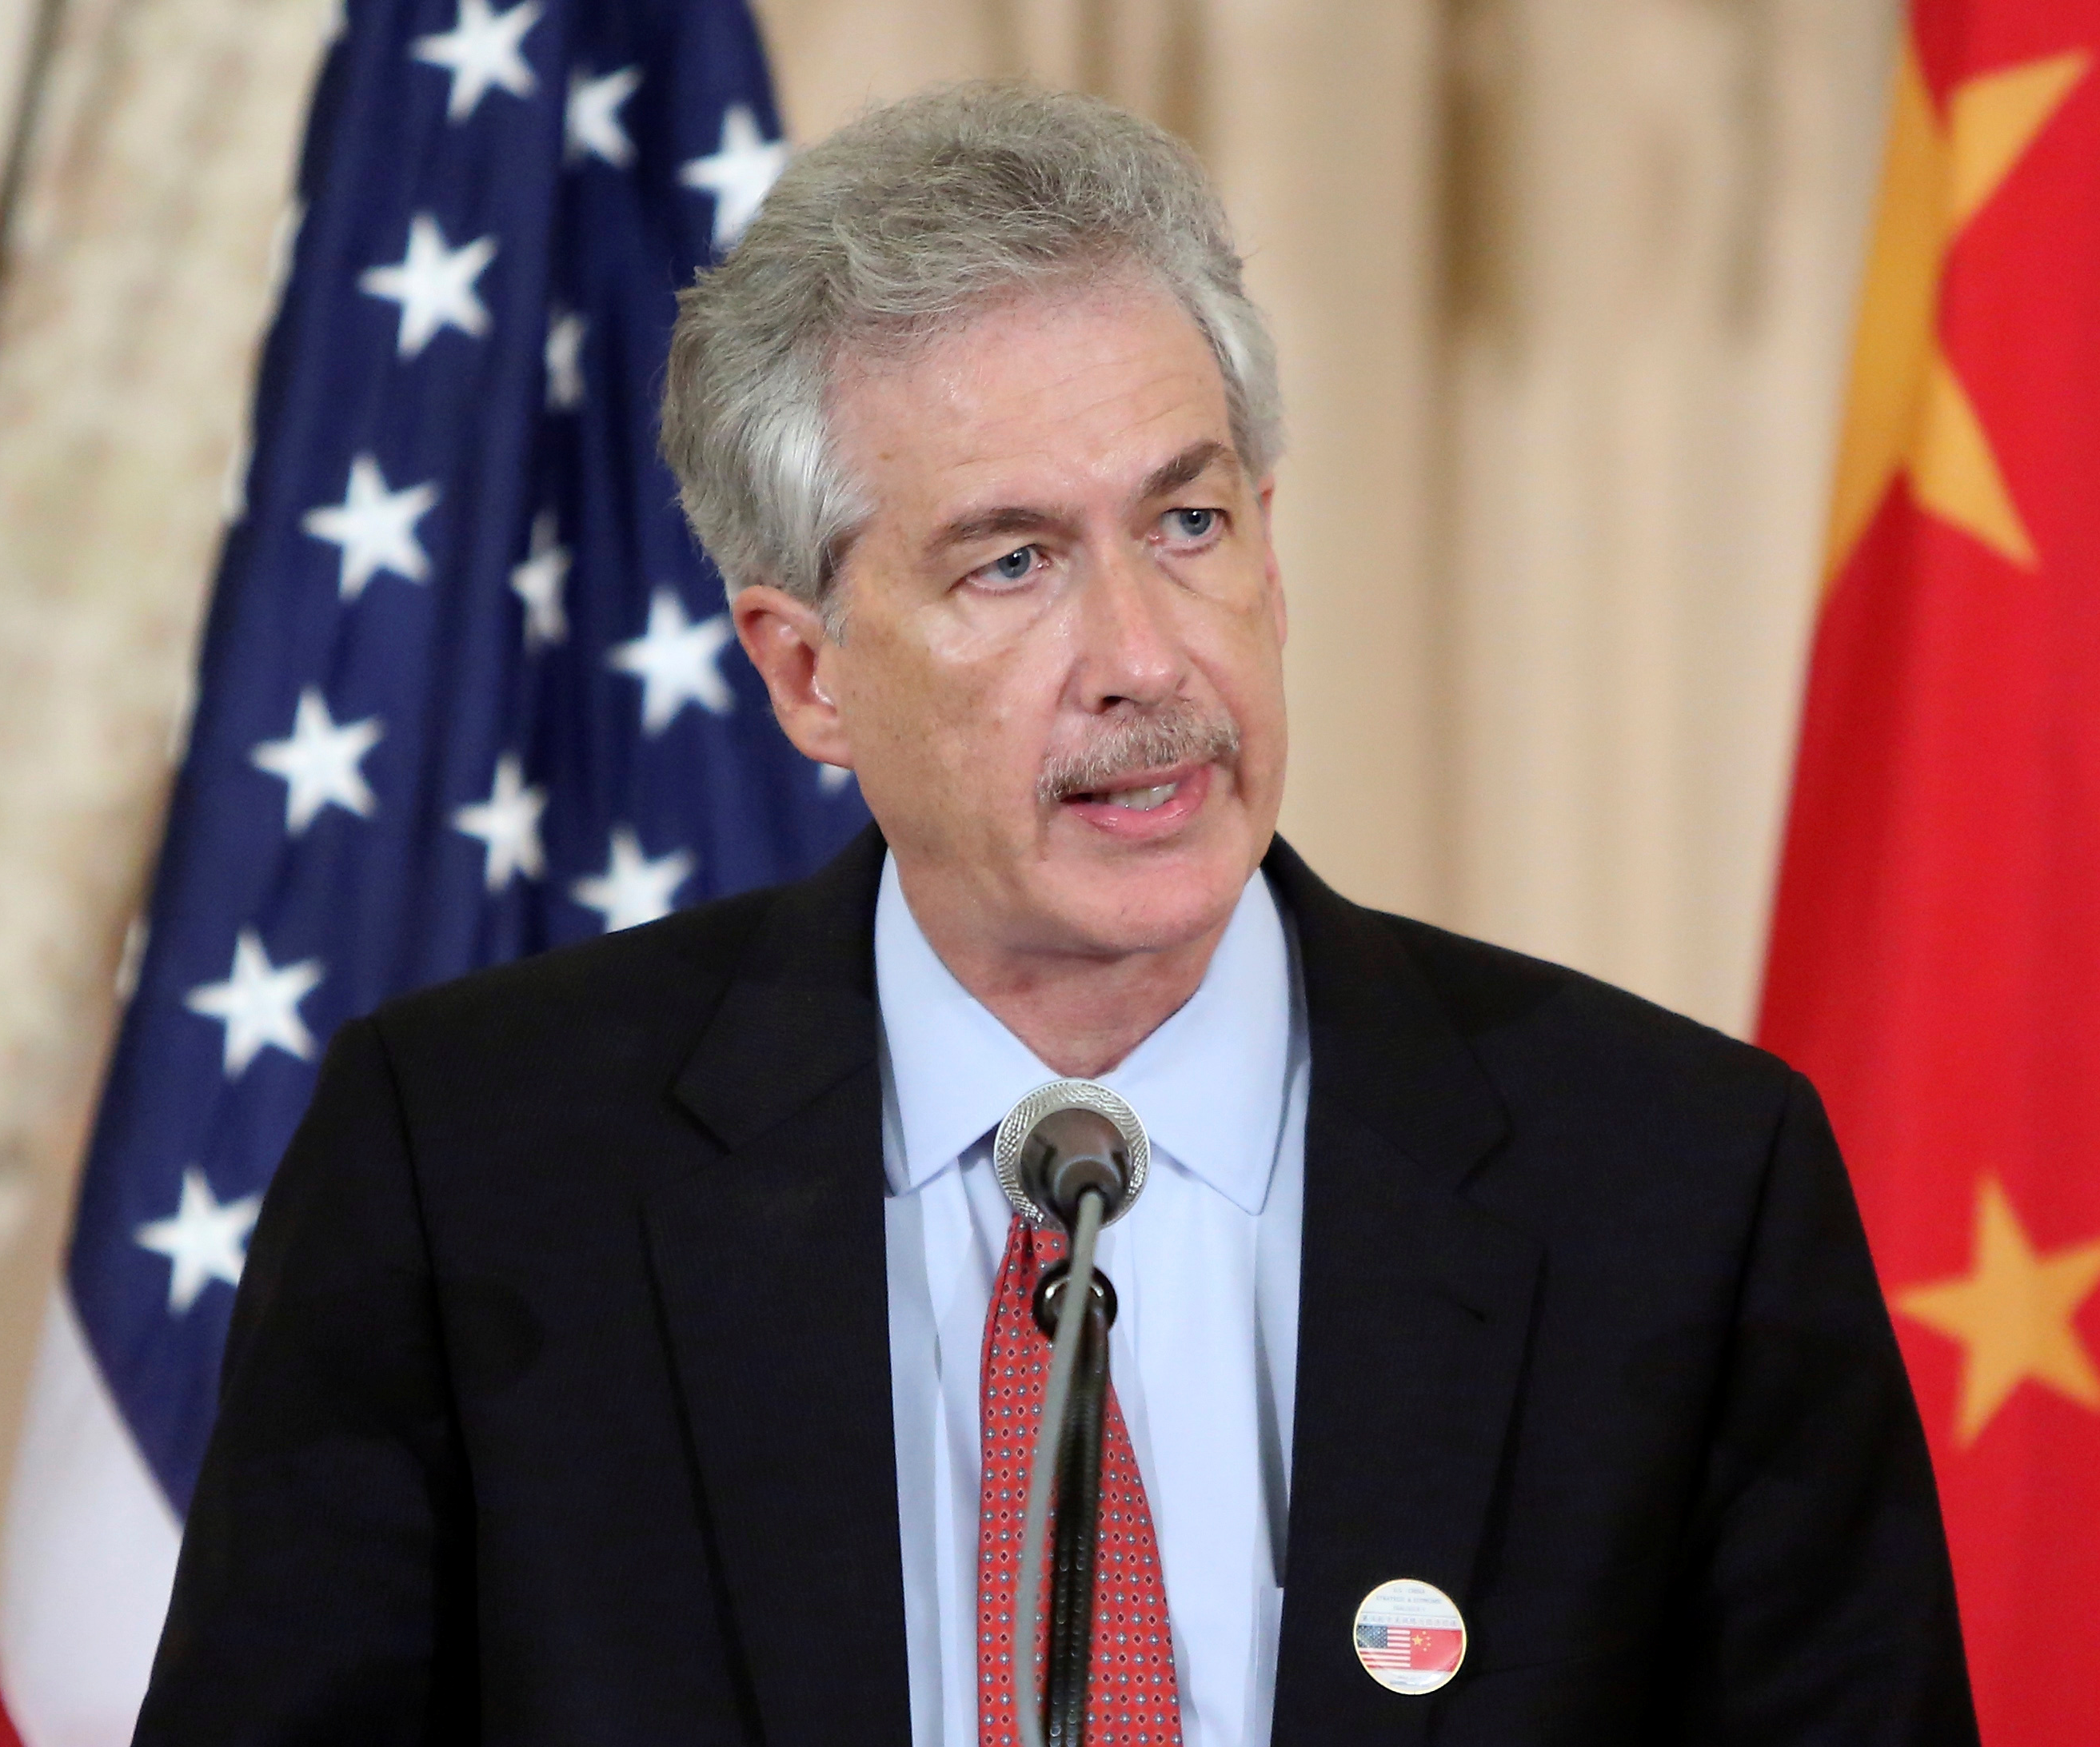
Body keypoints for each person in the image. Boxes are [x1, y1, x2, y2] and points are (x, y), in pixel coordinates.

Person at [135, 82, 1975, 1747]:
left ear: (1269, 544)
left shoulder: (1676, 1187)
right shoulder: (474, 1175)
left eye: (1187, 526)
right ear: (807, 672)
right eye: (1012, 562)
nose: (1143, 658)